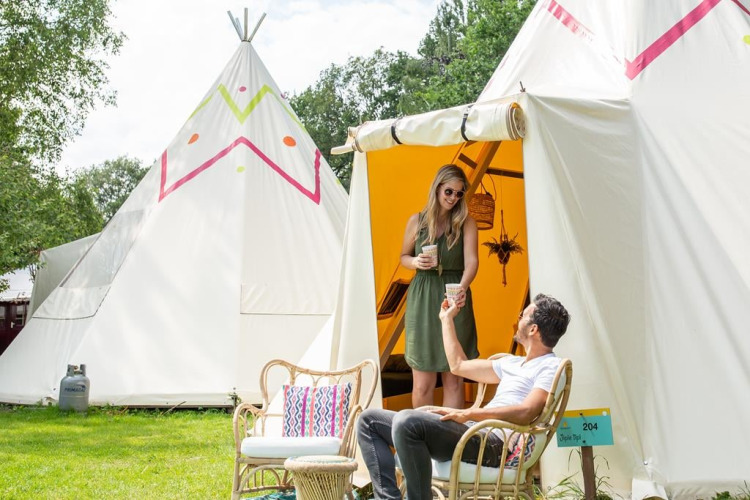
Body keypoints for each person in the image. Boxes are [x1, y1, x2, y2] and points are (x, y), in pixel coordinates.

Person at [357, 293, 571, 500]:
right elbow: (457, 365)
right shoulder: (512, 363)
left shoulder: (549, 366)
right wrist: (446, 319)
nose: (518, 320)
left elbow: (527, 411)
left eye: (522, 316)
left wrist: (469, 413)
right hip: (471, 432)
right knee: (369, 421)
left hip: (493, 441)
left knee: (408, 421)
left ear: (533, 329)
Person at [400, 164, 479, 409]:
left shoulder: (466, 223)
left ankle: (449, 441)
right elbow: (403, 257)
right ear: (437, 189)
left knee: (453, 380)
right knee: (422, 383)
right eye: (449, 192)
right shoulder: (417, 221)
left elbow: (472, 262)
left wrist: (461, 289)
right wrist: (415, 262)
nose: (453, 198)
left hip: (455, 299)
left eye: (459, 193)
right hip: (422, 299)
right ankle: (419, 440)